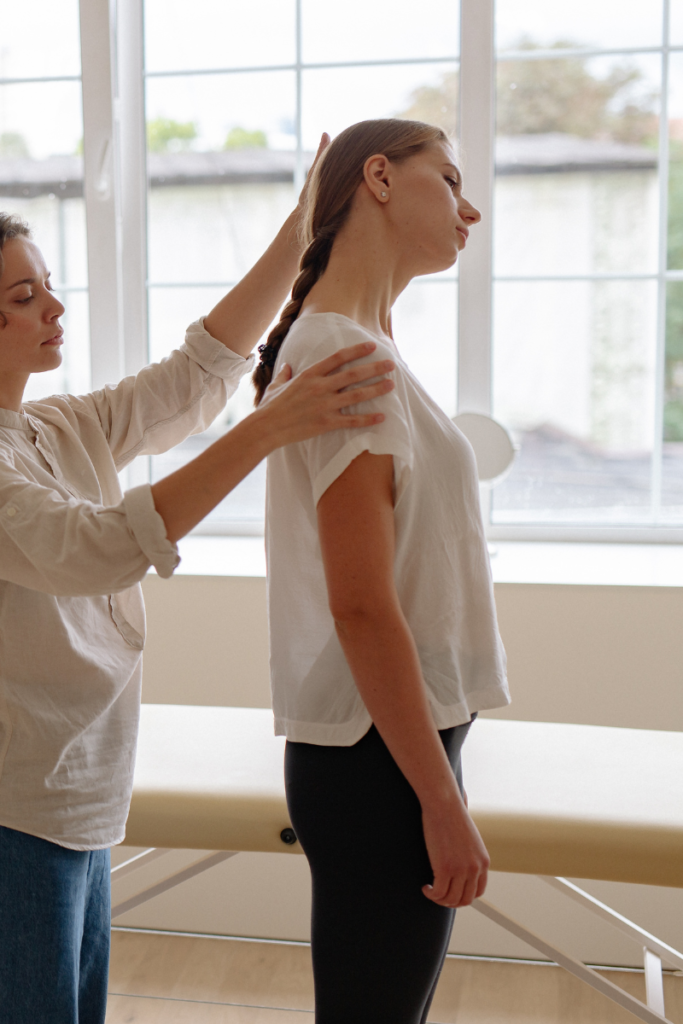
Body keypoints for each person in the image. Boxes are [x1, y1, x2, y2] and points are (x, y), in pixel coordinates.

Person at [0, 142, 398, 1024]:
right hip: (14, 810)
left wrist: (299, 232)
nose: (55, 308)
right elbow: (94, 548)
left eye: (48, 285)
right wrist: (267, 429)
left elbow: (193, 375)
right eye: (23, 298)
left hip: (78, 796)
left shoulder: (54, 428)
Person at [254, 119, 510, 1024]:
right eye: (450, 179)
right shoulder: (339, 352)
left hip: (395, 745)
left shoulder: (364, 340)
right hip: (378, 763)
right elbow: (361, 604)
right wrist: (439, 802)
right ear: (378, 178)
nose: (469, 209)